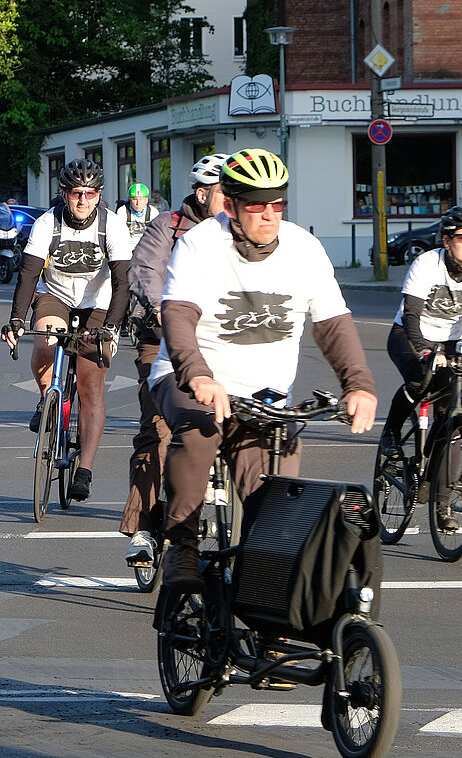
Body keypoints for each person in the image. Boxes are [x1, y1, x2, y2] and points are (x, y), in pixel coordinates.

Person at [149, 148, 376, 586]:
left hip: (266, 398)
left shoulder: (303, 248)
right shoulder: (200, 244)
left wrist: (359, 384)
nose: (269, 214)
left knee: (274, 509)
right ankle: (183, 546)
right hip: (190, 379)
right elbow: (178, 314)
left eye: (278, 204)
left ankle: (265, 614)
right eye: (257, 204)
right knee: (200, 430)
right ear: (230, 204)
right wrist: (198, 374)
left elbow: (332, 323)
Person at [3, 158, 133, 503]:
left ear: (99, 195)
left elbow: (123, 282)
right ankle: (47, 396)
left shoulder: (113, 225)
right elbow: (29, 274)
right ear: (64, 193)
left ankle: (85, 469)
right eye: (76, 193)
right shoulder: (48, 222)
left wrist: (111, 328)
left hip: (99, 303)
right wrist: (17, 319)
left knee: (91, 385)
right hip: (56, 295)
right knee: (47, 338)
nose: (83, 200)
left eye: (90, 194)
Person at [120, 153, 227, 566]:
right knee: (158, 431)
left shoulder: (235, 232)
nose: (234, 201)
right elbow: (146, 271)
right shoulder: (167, 226)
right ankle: (144, 528)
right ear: (202, 194)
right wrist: (164, 308)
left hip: (219, 344)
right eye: (224, 193)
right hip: (162, 341)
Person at [381, 205, 462, 529]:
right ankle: (390, 432)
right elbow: (411, 313)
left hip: (452, 343)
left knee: (452, 423)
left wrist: (443, 351)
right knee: (420, 380)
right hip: (410, 335)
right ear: (446, 239)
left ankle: (444, 508)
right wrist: (426, 350)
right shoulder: (428, 263)